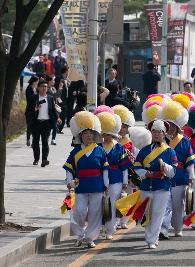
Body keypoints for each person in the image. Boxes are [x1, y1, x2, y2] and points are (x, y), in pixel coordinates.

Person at [63, 111, 109, 248]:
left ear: (95, 135)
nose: (89, 136)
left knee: (95, 213)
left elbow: (105, 169)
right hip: (80, 187)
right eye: (85, 133)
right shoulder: (75, 152)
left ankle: (90, 238)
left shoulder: (100, 151)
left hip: (97, 186)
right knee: (79, 212)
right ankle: (79, 235)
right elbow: (69, 169)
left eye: (91, 133)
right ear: (80, 136)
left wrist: (106, 185)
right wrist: (69, 182)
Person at [133, 120, 177, 249]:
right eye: (154, 132)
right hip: (147, 185)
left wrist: (165, 167)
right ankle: (149, 235)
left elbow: (173, 172)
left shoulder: (170, 151)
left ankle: (153, 239)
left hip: (162, 186)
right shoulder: (144, 150)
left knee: (158, 213)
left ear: (164, 134)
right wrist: (145, 174)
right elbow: (136, 166)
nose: (157, 134)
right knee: (147, 213)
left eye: (159, 132)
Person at [159, 102, 195, 238]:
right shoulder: (160, 141)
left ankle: (178, 227)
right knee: (165, 204)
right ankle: (163, 228)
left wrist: (191, 177)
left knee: (178, 205)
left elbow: (190, 160)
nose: (171, 129)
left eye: (173, 126)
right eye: (168, 126)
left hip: (180, 176)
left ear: (177, 126)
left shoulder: (185, 140)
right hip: (164, 176)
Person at [95, 111, 130, 240]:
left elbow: (124, 166)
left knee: (112, 203)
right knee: (100, 204)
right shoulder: (97, 147)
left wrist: (125, 182)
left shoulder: (119, 148)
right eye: (103, 133)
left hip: (116, 179)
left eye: (108, 134)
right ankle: (100, 227)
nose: (105, 136)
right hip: (99, 179)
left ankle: (110, 229)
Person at [26, 80, 59, 167]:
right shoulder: (33, 98)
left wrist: (57, 118)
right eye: (42, 86)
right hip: (36, 123)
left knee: (45, 142)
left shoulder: (50, 98)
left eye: (46, 86)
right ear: (38, 88)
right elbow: (27, 111)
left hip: (46, 123)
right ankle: (36, 159)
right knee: (36, 142)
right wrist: (35, 109)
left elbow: (53, 110)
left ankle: (44, 159)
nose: (44, 88)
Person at [25, 76, 39, 147]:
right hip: (30, 111)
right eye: (37, 81)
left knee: (35, 126)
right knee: (30, 126)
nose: (38, 83)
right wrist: (37, 96)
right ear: (34, 81)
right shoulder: (29, 88)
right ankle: (28, 139)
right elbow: (29, 99)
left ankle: (34, 142)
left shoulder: (35, 89)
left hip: (36, 110)